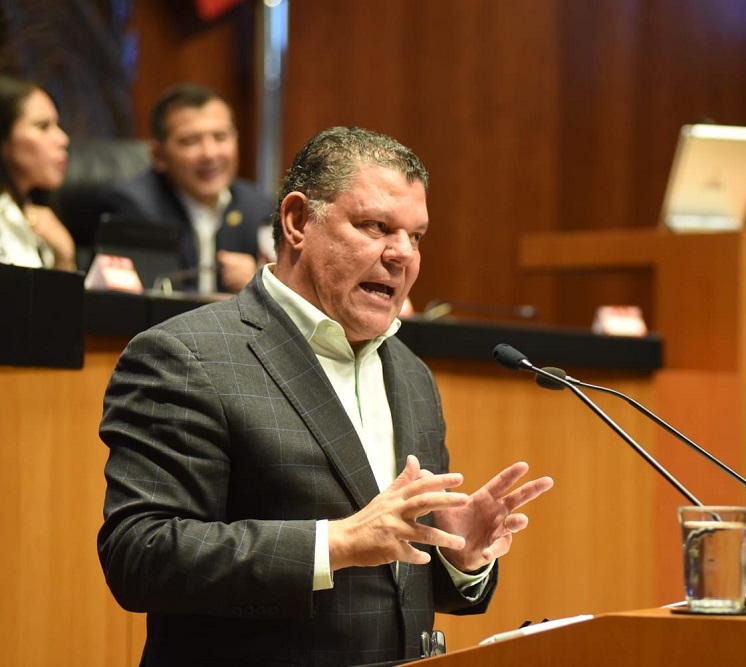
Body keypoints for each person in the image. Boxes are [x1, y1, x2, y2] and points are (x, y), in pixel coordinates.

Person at [98, 126, 554, 667]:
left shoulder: (411, 374)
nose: (402, 254)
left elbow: (391, 582)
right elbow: (140, 554)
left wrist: (459, 555)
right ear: (297, 221)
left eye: (416, 236)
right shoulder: (186, 355)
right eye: (376, 226)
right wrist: (334, 544)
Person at [101, 83, 273, 294]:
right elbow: (147, 301)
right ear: (158, 155)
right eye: (190, 141)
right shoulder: (133, 208)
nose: (210, 154)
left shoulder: (257, 207)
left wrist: (261, 285)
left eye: (220, 137)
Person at [0, 76, 75, 271]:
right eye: (43, 126)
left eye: (57, 125)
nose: (63, 139)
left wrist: (64, 256)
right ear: (4, 140)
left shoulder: (35, 209)